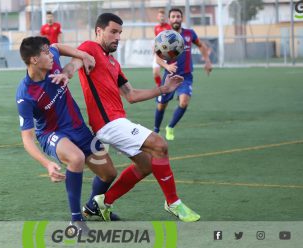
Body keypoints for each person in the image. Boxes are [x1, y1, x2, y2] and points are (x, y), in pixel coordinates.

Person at [61, 13, 200, 222]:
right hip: (107, 123)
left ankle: (101, 204)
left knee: (146, 165)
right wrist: (66, 73)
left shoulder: (114, 64)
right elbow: (75, 64)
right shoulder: (90, 48)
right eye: (113, 32)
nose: (118, 37)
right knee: (159, 145)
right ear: (99, 31)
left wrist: (164, 88)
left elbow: (131, 95)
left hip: (118, 120)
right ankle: (173, 202)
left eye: (120, 33)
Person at [15, 36, 119, 232]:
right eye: (45, 53)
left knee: (109, 173)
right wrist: (47, 164)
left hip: (78, 129)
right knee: (76, 158)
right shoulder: (25, 94)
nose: (50, 54)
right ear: (34, 60)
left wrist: (78, 59)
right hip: (51, 134)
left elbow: (57, 47)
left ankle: (91, 206)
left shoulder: (52, 59)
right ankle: (76, 220)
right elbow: (27, 140)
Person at [154, 8, 212, 140]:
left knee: (184, 102)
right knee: (162, 105)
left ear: (182, 18)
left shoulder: (189, 33)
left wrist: (207, 61)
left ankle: (170, 127)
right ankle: (156, 130)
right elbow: (157, 57)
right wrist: (167, 65)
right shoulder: (164, 36)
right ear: (169, 19)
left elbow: (201, 45)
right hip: (169, 76)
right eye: (173, 16)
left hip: (185, 76)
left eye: (178, 16)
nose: (176, 19)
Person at [152, 9, 172, 87]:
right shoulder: (156, 28)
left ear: (165, 18)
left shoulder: (169, 27)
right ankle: (159, 88)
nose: (162, 18)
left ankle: (178, 89)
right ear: (157, 17)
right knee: (155, 72)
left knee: (171, 72)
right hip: (158, 52)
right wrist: (154, 47)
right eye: (160, 16)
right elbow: (156, 39)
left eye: (163, 16)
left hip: (168, 52)